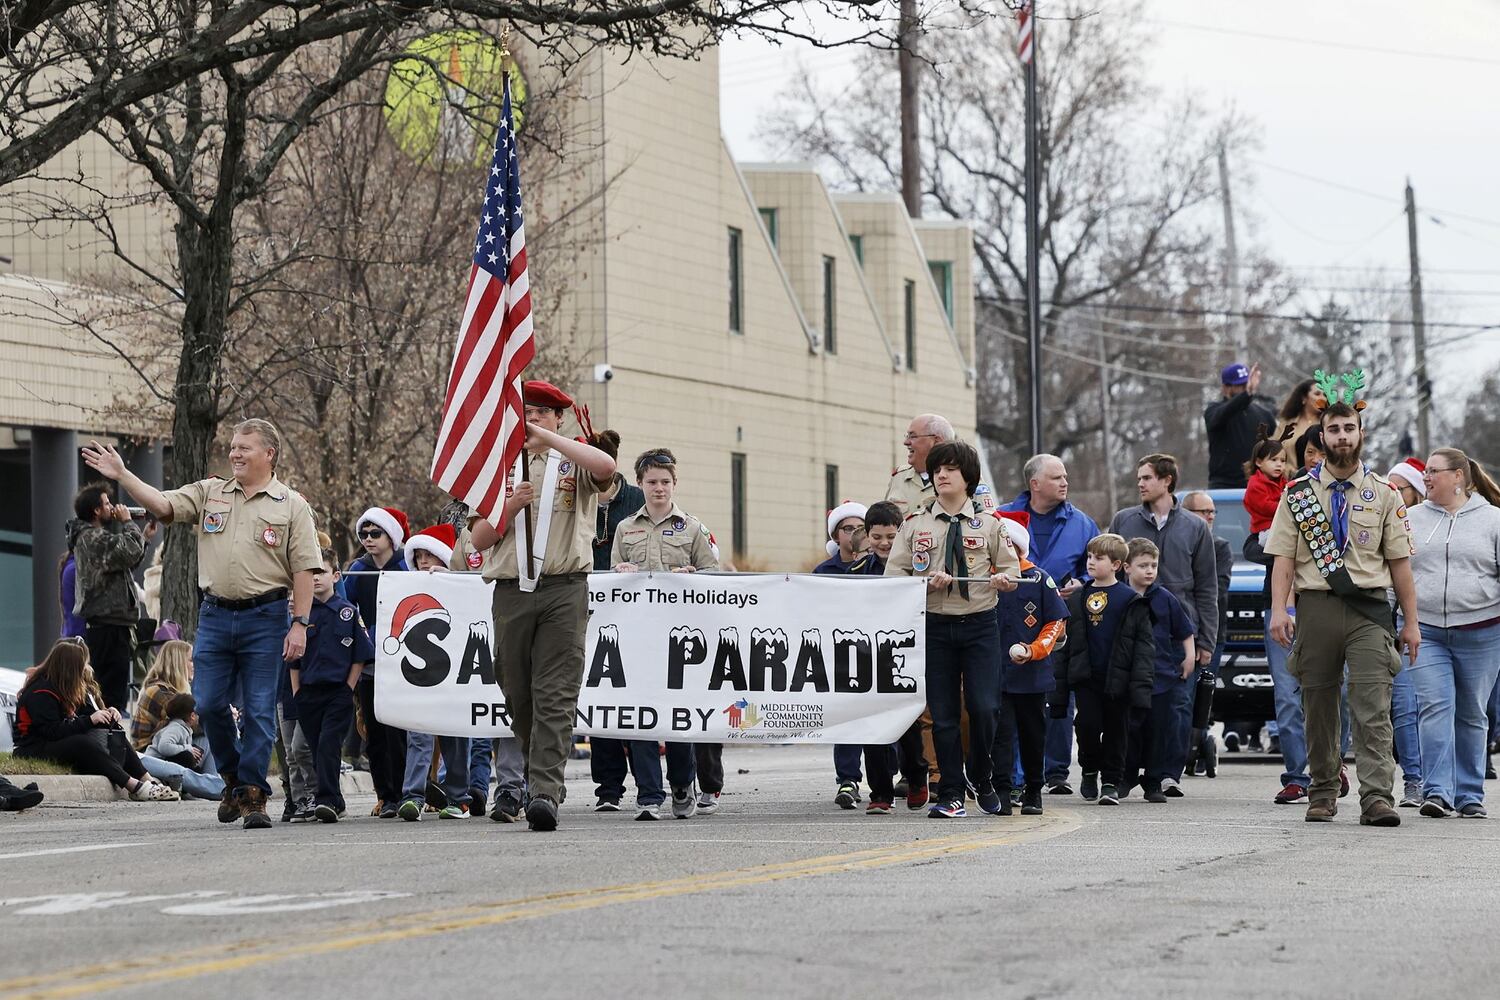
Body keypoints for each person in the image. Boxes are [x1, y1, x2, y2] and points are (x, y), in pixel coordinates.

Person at [82, 418, 321, 830]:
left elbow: (303, 570)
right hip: (214, 614)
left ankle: (253, 795)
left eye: (245, 447)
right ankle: (232, 780)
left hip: (266, 617)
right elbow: (162, 504)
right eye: (232, 446)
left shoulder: (291, 505)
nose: (235, 453)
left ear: (270, 454)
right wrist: (122, 474)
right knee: (208, 704)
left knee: (260, 711)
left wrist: (299, 623)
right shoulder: (211, 492)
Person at [1266, 380, 1419, 826]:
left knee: (1372, 705)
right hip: (1315, 608)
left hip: (1369, 609)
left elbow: (1401, 566)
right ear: (1323, 436)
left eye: (1349, 429)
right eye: (1333, 430)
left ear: (1361, 433)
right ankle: (1323, 791)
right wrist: (1280, 609)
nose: (1342, 437)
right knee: (1318, 707)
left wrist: (1411, 622)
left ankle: (1376, 797)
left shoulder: (1385, 495)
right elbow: (1283, 560)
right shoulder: (1297, 494)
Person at [468, 380, 619, 832]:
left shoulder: (572, 460)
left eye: (540, 414)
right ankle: (541, 775)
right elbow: (478, 538)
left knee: (555, 693)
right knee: (516, 690)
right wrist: (510, 507)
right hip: (512, 591)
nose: (530, 421)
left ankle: (544, 793)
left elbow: (607, 466)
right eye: (524, 414)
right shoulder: (498, 468)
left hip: (563, 588)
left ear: (558, 419)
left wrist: (550, 441)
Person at [885, 441, 1020, 819]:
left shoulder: (990, 524)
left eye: (950, 469)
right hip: (935, 626)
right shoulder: (915, 524)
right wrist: (925, 584)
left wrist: (1004, 580)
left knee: (985, 707)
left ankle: (982, 773)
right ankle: (951, 792)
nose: (941, 475)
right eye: (937, 469)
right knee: (942, 714)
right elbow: (893, 576)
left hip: (979, 624)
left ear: (969, 478)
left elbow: (1012, 568)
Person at [610, 448, 719, 819]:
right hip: (639, 637)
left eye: (665, 482)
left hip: (682, 640)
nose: (659, 488)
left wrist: (694, 578)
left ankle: (681, 783)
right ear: (639, 484)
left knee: (676, 717)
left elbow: (715, 578)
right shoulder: (625, 529)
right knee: (640, 716)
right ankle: (648, 795)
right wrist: (620, 572)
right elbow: (610, 583)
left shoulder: (692, 528)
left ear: (675, 484)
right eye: (652, 481)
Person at [1108, 454, 1218, 794]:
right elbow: (1107, 571)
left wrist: (1205, 641)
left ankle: (1168, 773)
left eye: (1147, 478)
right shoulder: (1124, 521)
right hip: (1130, 630)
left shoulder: (1195, 527)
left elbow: (1207, 586)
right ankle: (1126, 773)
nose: (1140, 484)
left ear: (1167, 480)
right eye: (1139, 478)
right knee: (1131, 707)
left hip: (1179, 633)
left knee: (1177, 707)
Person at [1405, 448, 1500, 819]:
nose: (1425, 478)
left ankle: (1470, 794)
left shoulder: (1493, 520)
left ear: (1458, 476)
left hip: (1483, 631)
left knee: (1473, 713)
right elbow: (1397, 570)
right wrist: (1398, 615)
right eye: (1425, 472)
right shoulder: (1410, 518)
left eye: (1433, 472)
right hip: (1425, 629)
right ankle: (1437, 792)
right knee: (1434, 707)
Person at [1001, 453, 1099, 796]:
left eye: (1066, 477)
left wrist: (1083, 582)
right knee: (1011, 701)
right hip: (1010, 625)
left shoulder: (1082, 523)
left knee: (1058, 696)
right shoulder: (1002, 518)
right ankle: (1013, 776)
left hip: (1061, 621)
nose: (1065, 482)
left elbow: (1096, 563)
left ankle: (1056, 771)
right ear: (1035, 483)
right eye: (1057, 477)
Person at [1055, 534, 1154, 806]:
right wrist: (1060, 685)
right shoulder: (1078, 598)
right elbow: (1066, 643)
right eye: (1089, 557)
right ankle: (1089, 769)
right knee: (1086, 725)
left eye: (1098, 558)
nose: (1091, 562)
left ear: (1117, 565)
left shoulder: (1130, 600)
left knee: (1116, 730)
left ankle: (1110, 781)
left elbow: (1144, 645)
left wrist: (1140, 684)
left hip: (1118, 678)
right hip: (1086, 677)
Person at [439, 521, 528, 823]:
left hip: (517, 617)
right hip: (475, 632)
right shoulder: (469, 532)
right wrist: (441, 580)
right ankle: (474, 788)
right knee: (486, 708)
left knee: (514, 701)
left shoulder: (527, 520)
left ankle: (511, 788)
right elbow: (456, 576)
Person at [13, 640, 178, 801]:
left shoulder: (61, 687)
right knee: (81, 743)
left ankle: (147, 779)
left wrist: (106, 714)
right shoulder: (41, 692)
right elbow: (52, 730)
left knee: (113, 730)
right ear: (69, 669)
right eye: (81, 666)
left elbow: (82, 715)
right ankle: (134, 786)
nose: (85, 670)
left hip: (52, 741)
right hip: (32, 747)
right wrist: (89, 720)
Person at [991, 511, 1067, 816]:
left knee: (1033, 734)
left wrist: (1034, 650)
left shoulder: (1038, 578)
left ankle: (1034, 790)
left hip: (1032, 675)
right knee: (1000, 734)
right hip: (994, 674)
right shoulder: (986, 578)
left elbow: (1056, 621)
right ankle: (1002, 791)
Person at [289, 551, 373, 824]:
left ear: (336, 576)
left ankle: (326, 800)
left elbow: (360, 655)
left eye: (321, 572)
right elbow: (293, 660)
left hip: (337, 691)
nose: (315, 579)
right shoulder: (302, 615)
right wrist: (297, 693)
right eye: (310, 574)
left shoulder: (348, 612)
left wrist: (348, 689)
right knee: (315, 749)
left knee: (328, 745)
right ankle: (336, 801)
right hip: (308, 692)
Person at [814, 500, 880, 809]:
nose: (855, 533)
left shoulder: (879, 566)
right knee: (847, 718)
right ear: (836, 534)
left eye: (860, 528)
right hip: (840, 652)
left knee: (882, 715)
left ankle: (885, 776)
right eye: (847, 528)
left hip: (878, 651)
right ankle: (848, 779)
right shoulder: (823, 572)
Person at [1121, 538, 1196, 804]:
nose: (1150, 571)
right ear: (1126, 567)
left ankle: (1153, 780)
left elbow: (1184, 630)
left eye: (1153, 565)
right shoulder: (1120, 597)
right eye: (1143, 565)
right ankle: (1126, 775)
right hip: (1129, 679)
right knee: (1129, 730)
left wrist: (1189, 656)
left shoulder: (1165, 599)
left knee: (1158, 731)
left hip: (1161, 677)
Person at [347, 505, 410, 818]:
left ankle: (406, 792)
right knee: (373, 732)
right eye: (364, 534)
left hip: (406, 661)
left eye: (376, 533)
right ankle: (385, 796)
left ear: (392, 537)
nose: (368, 539)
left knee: (399, 733)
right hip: (372, 663)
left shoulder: (408, 566)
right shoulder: (358, 569)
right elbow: (344, 609)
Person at [71, 483, 146, 711]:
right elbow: (129, 551)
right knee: (110, 695)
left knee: (110, 690)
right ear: (96, 510)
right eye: (106, 504)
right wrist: (128, 523)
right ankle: (106, 739)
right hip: (108, 627)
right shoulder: (92, 537)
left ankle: (104, 738)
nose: (112, 508)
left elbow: (125, 562)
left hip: (111, 625)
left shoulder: (94, 538)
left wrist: (144, 538)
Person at [129, 640, 225, 801]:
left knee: (210, 738)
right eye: (190, 660)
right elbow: (188, 723)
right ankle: (222, 789)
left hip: (172, 750)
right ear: (178, 662)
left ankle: (214, 783)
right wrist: (221, 717)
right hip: (152, 754)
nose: (194, 664)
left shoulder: (176, 690)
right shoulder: (158, 691)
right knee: (185, 770)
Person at [885, 414, 998, 517]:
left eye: (913, 436)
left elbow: (987, 524)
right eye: (907, 436)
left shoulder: (968, 477)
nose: (906, 442)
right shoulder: (898, 477)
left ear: (936, 441)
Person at [1204, 362, 1277, 489]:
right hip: (1223, 484)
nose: (1245, 388)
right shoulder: (1214, 410)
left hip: (1256, 483)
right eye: (1240, 385)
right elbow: (1224, 413)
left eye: (1246, 384)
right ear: (1226, 387)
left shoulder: (1264, 414)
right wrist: (1246, 395)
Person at [1243, 437, 1290, 543]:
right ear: (1259, 462)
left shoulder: (1283, 481)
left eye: (1283, 461)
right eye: (1273, 460)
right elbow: (1265, 506)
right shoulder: (1255, 484)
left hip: (1282, 524)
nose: (1279, 464)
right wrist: (1288, 506)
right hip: (1266, 529)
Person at [146, 694, 201, 768]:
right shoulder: (176, 728)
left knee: (194, 750)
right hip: (153, 763)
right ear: (192, 716)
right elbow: (164, 747)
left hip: (161, 763)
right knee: (187, 756)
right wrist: (186, 748)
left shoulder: (184, 728)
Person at [1275, 378, 1328, 447]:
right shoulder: (1286, 423)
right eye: (1317, 394)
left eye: (1325, 395)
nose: (1323, 398)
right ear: (1304, 398)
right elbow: (1271, 449)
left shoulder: (1327, 424)